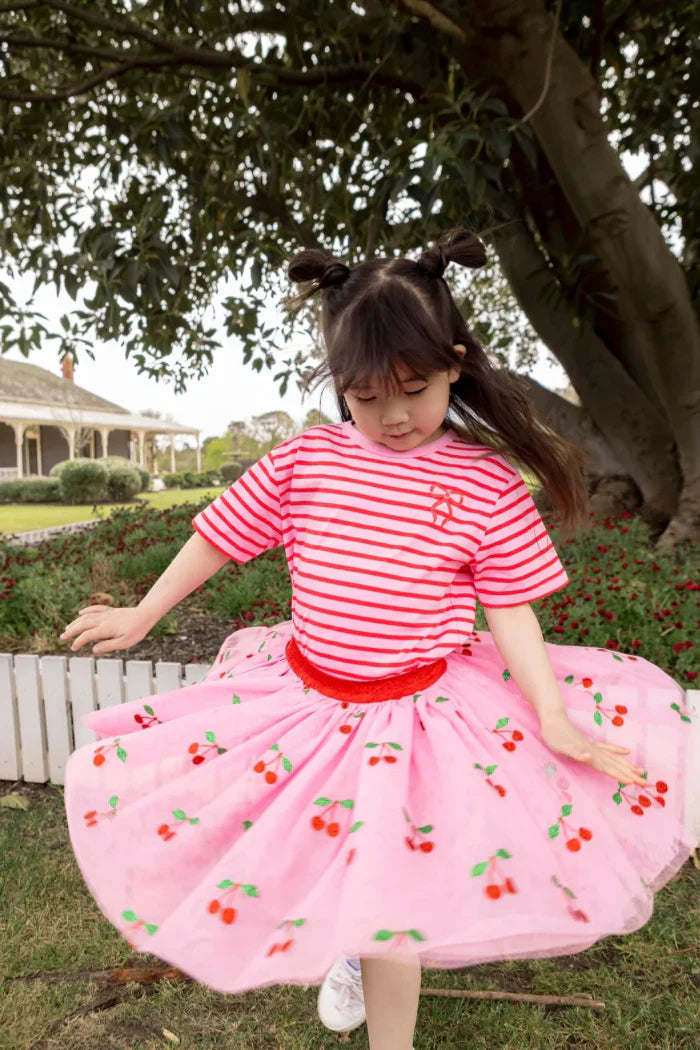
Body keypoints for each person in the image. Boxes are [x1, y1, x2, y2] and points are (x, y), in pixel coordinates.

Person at [61, 229, 697, 1050]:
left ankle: (378, 989)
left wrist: (552, 714)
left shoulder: (485, 482)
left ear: (454, 365)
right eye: (366, 397)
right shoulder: (307, 461)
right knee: (315, 847)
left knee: (394, 897)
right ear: (341, 387)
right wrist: (142, 614)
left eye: (414, 389)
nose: (393, 416)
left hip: (419, 719)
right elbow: (220, 535)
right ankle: (350, 941)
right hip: (307, 702)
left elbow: (510, 610)